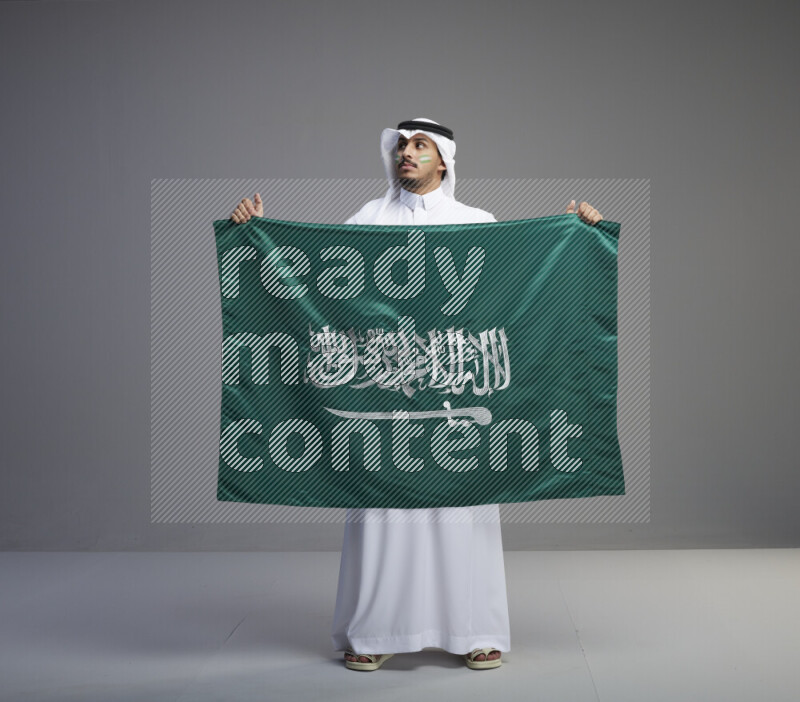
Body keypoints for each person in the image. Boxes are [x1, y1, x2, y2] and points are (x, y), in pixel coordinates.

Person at [229, 118, 603, 672]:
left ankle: (475, 630)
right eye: (401, 146)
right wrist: (256, 237)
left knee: (463, 513)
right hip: (384, 395)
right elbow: (318, 290)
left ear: (444, 161)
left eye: (420, 146)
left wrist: (575, 235)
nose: (407, 154)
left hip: (453, 395)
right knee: (382, 516)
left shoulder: (477, 224)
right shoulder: (367, 220)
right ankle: (375, 632)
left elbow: (518, 290)